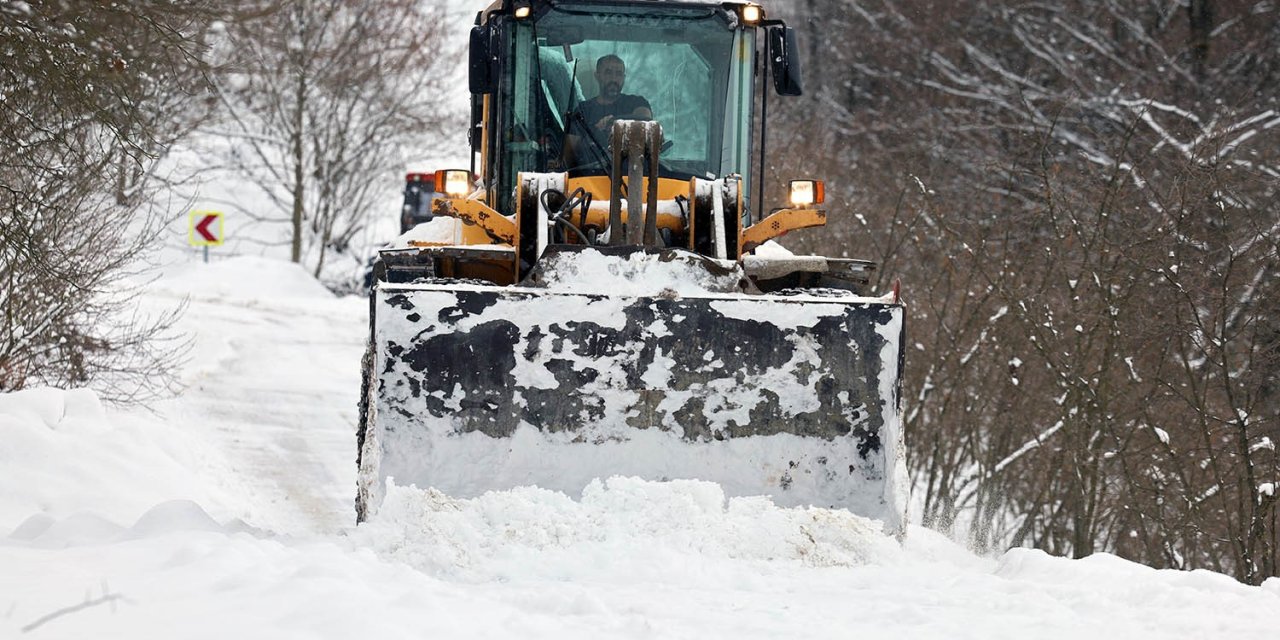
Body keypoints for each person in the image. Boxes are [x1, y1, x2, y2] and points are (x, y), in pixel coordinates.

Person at [562, 54, 652, 168]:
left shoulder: (637, 103)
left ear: (624, 77)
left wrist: (616, 124)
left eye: (619, 74)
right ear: (597, 76)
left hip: (634, 175)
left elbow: (645, 122)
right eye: (608, 72)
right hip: (590, 177)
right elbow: (568, 157)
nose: (614, 79)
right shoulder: (583, 111)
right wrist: (596, 130)